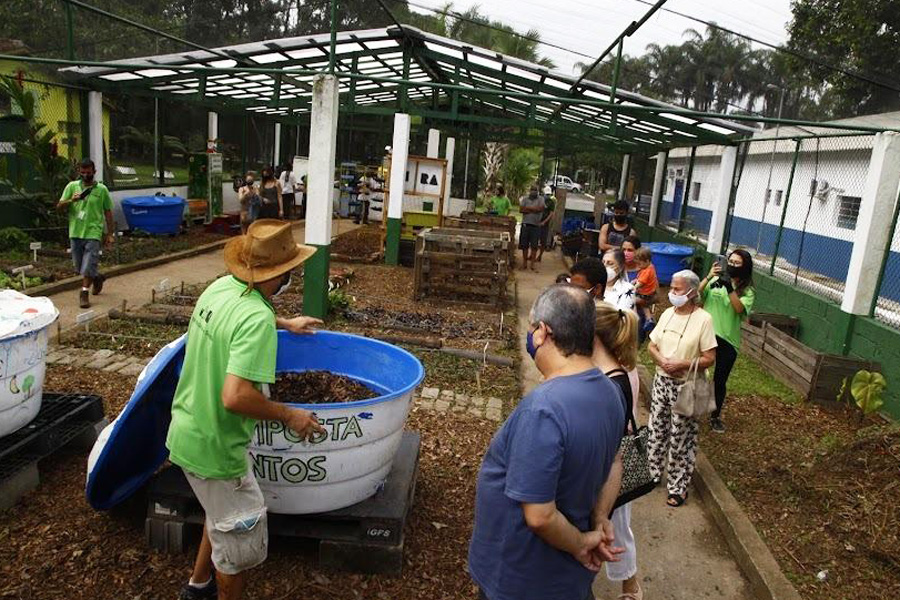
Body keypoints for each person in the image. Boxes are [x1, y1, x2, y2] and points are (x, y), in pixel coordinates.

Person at [167, 220, 326, 600]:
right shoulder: (256, 320)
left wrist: (284, 322)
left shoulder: (222, 288)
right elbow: (235, 397)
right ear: (282, 273)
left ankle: (197, 586)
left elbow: (239, 318)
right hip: (216, 449)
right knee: (236, 546)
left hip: (187, 427)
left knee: (219, 515)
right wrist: (290, 415)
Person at [469, 284, 625, 600]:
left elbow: (539, 515)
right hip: (568, 583)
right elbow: (614, 463)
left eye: (531, 327)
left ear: (542, 332)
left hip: (522, 580)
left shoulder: (544, 409)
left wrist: (582, 544)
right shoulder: (610, 392)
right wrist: (600, 518)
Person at [647, 270, 717, 507]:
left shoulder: (704, 319)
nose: (672, 293)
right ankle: (652, 473)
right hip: (661, 380)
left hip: (687, 385)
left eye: (677, 289)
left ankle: (678, 487)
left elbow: (709, 357)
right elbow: (652, 345)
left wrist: (682, 364)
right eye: (673, 288)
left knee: (682, 437)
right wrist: (662, 361)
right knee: (656, 430)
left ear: (691, 291)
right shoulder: (667, 313)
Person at [592, 302, 643, 600]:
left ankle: (631, 586)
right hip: (614, 455)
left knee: (618, 528)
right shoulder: (621, 366)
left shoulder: (615, 375)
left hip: (617, 459)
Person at [699, 249, 756, 433]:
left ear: (745, 267)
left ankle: (715, 416)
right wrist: (708, 277)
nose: (731, 265)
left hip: (728, 340)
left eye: (737, 263)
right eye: (730, 261)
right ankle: (689, 407)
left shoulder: (747, 291)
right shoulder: (715, 280)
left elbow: (740, 310)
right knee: (696, 371)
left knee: (719, 380)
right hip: (706, 333)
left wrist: (730, 289)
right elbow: (696, 295)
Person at [57, 158, 115, 309]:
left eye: (88, 173)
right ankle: (97, 278)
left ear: (94, 172)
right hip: (76, 231)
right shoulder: (71, 187)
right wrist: (71, 200)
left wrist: (110, 233)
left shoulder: (101, 190)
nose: (85, 175)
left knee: (89, 262)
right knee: (79, 266)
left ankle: (84, 293)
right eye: (82, 173)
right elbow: (59, 206)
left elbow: (108, 211)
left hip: (93, 232)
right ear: (78, 172)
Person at [632, 247, 659, 339]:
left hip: (644, 294)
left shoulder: (646, 271)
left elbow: (641, 282)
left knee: (632, 300)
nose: (638, 265)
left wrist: (634, 287)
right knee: (645, 307)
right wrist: (636, 279)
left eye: (640, 263)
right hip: (650, 293)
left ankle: (636, 319)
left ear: (647, 261)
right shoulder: (650, 267)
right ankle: (649, 319)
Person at [518, 186, 545, 271]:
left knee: (534, 246)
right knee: (524, 245)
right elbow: (521, 209)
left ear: (537, 191)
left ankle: (532, 264)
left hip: (536, 226)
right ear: (530, 191)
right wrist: (534, 210)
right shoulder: (525, 199)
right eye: (532, 190)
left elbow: (540, 209)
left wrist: (528, 209)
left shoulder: (541, 199)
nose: (533, 192)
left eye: (535, 190)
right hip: (526, 224)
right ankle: (524, 263)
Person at [536, 185, 556, 262]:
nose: (547, 196)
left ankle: (540, 255)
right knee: (535, 240)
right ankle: (533, 255)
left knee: (543, 241)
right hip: (538, 222)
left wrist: (544, 222)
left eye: (548, 195)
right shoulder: (540, 200)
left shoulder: (551, 202)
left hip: (545, 223)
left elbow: (551, 214)